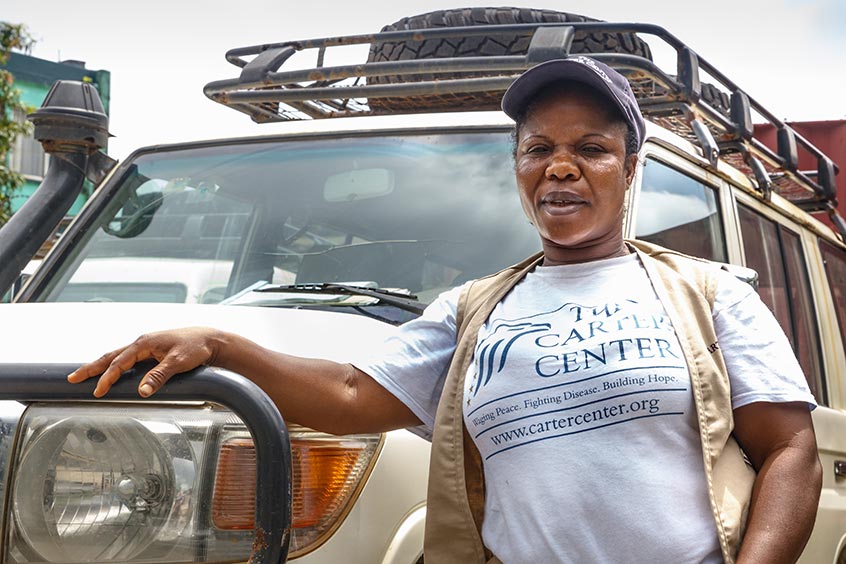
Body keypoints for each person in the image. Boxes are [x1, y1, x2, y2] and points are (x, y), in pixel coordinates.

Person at [68, 56, 821, 564]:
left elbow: (789, 450)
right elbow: (354, 394)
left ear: (630, 170)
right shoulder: (472, 308)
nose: (560, 166)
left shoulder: (709, 293)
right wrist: (221, 345)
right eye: (538, 149)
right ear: (519, 166)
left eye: (591, 149)